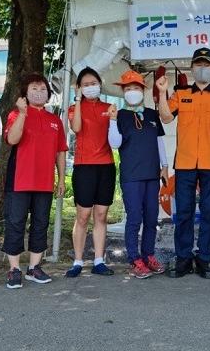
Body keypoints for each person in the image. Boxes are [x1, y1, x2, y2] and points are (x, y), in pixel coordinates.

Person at [156, 47, 210, 279]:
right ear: (192, 68)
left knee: (209, 212)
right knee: (184, 213)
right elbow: (166, 117)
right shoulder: (181, 93)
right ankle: (183, 258)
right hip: (185, 162)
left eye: (207, 64)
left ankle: (204, 259)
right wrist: (162, 92)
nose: (203, 68)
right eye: (198, 64)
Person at [1, 74, 68, 289]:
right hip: (19, 179)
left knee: (40, 223)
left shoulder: (55, 120)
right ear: (25, 93)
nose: (39, 92)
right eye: (34, 88)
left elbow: (60, 152)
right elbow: (12, 139)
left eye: (43, 89)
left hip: (45, 181)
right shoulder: (15, 114)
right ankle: (14, 269)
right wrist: (22, 113)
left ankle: (34, 267)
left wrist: (61, 179)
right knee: (15, 222)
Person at [107, 70, 169, 279]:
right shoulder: (120, 115)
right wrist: (112, 120)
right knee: (134, 218)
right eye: (128, 88)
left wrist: (165, 165)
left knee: (152, 217)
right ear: (123, 92)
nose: (132, 91)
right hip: (132, 175)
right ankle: (134, 259)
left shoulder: (152, 114)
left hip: (152, 174)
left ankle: (148, 255)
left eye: (136, 88)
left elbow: (159, 141)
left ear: (143, 90)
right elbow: (115, 143)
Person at [66, 67, 116, 277]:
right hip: (84, 166)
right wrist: (78, 99)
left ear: (100, 85)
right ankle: (78, 261)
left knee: (101, 215)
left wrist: (114, 117)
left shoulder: (109, 108)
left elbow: (115, 137)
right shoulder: (73, 108)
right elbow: (76, 128)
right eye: (85, 84)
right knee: (83, 215)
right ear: (78, 87)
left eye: (93, 83)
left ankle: (98, 260)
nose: (90, 87)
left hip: (106, 165)